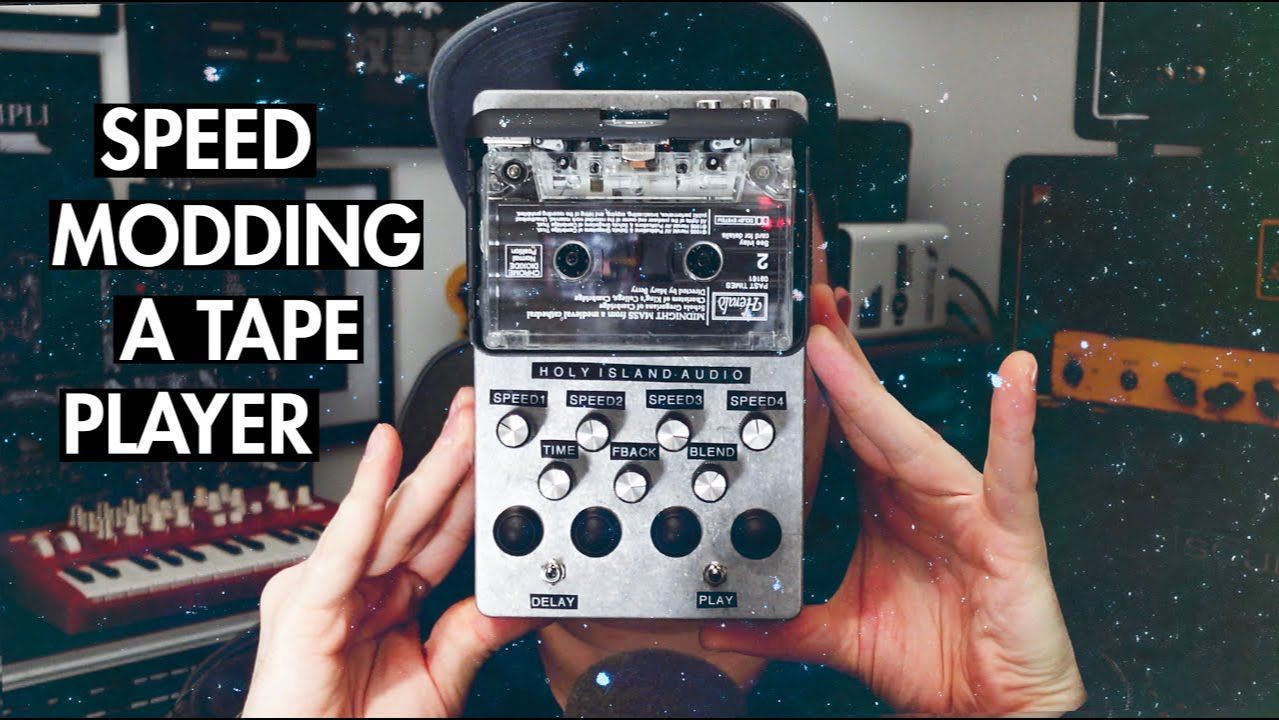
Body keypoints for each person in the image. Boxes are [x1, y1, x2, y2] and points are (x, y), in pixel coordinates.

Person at [241, 3, 1086, 716]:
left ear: (826, 321)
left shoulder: (963, 642)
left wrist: (1014, 710)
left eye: (713, 255)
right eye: (579, 260)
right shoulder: (336, 673)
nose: (647, 374)